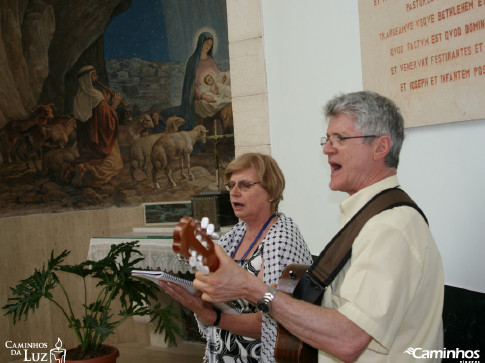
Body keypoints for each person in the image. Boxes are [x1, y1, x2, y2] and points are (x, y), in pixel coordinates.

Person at [193, 91, 444, 362]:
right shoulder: (367, 218)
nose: (327, 149)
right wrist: (217, 314)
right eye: (327, 139)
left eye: (341, 139)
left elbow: (349, 339)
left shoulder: (391, 228)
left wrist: (253, 289)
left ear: (380, 147)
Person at [160, 152, 312, 362]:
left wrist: (215, 318)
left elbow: (274, 323)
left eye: (245, 185)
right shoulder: (233, 237)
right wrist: (199, 298)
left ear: (270, 192)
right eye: (231, 185)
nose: (234, 193)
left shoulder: (282, 239)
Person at [160, 32, 231, 132]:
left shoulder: (210, 60)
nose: (208, 47)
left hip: (214, 90)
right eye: (206, 43)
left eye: (210, 45)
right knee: (206, 103)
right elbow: (192, 85)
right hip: (200, 95)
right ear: (200, 43)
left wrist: (223, 80)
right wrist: (203, 96)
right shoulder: (193, 61)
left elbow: (217, 76)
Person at [71, 65, 123, 187]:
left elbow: (91, 118)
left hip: (87, 143)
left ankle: (84, 167)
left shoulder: (78, 97)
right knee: (116, 164)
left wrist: (104, 101)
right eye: (93, 74)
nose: (96, 77)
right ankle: (88, 169)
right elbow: (106, 121)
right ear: (87, 78)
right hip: (99, 140)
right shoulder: (96, 95)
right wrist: (114, 105)